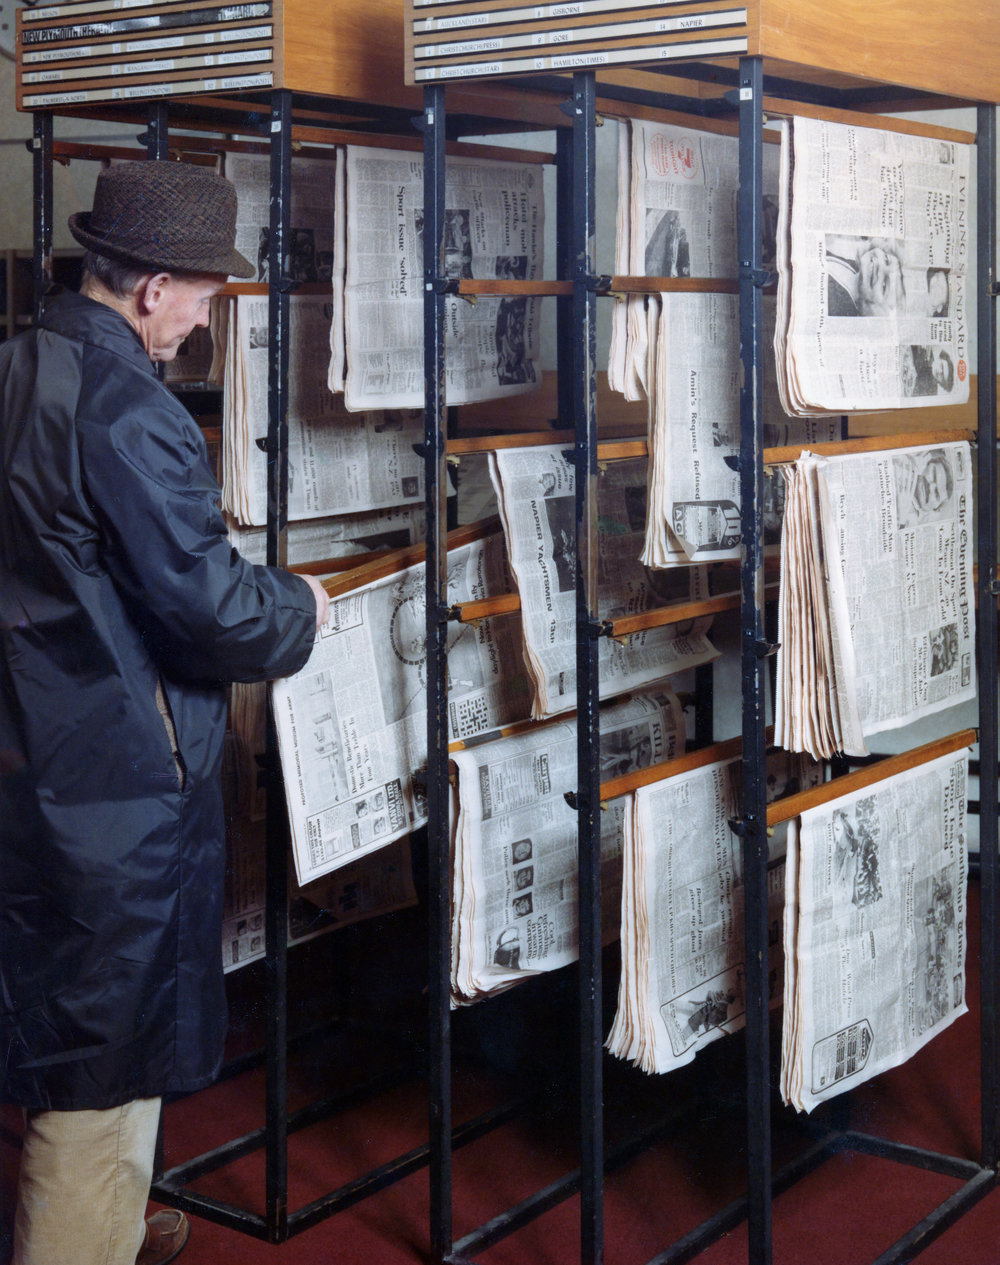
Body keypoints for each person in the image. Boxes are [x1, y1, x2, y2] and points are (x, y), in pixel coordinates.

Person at [0, 161, 331, 1265]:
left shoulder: (18, 362)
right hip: (113, 780)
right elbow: (215, 612)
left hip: (39, 752)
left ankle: (106, 1232)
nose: (204, 314)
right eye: (203, 292)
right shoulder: (129, 410)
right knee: (100, 1057)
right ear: (151, 289)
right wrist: (301, 602)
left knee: (85, 1023)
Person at [825, 235, 906, 316]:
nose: (880, 266)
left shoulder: (839, 307)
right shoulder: (853, 266)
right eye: (886, 260)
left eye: (884, 286)